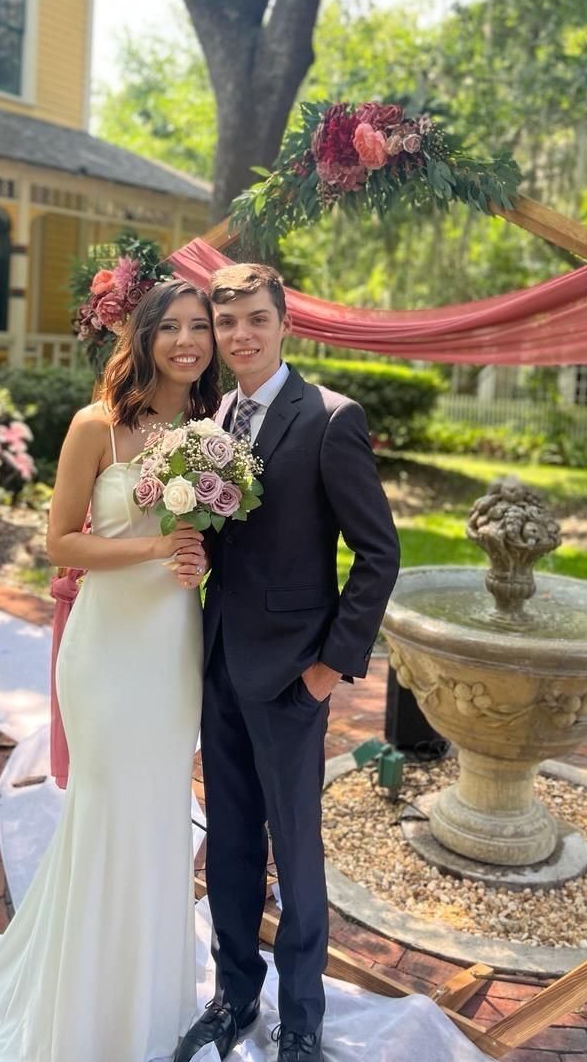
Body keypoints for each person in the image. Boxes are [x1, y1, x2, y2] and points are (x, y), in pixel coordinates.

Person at [0, 279, 219, 1062]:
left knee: (157, 816)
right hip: (106, 651)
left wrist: (198, 557)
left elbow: (224, 534)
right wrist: (157, 547)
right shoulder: (98, 426)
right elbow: (60, 542)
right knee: (107, 811)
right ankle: (82, 1011)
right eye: (174, 327)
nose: (189, 341)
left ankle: (146, 1006)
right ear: (146, 336)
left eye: (202, 328)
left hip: (172, 648)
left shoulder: (214, 428)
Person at [177, 263, 400, 1062]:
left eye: (255, 321)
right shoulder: (215, 418)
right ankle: (234, 995)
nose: (239, 336)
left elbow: (379, 556)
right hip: (219, 664)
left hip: (292, 677)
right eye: (226, 322)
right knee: (231, 840)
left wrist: (330, 669)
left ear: (284, 325)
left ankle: (302, 1015)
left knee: (297, 854)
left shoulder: (331, 419)